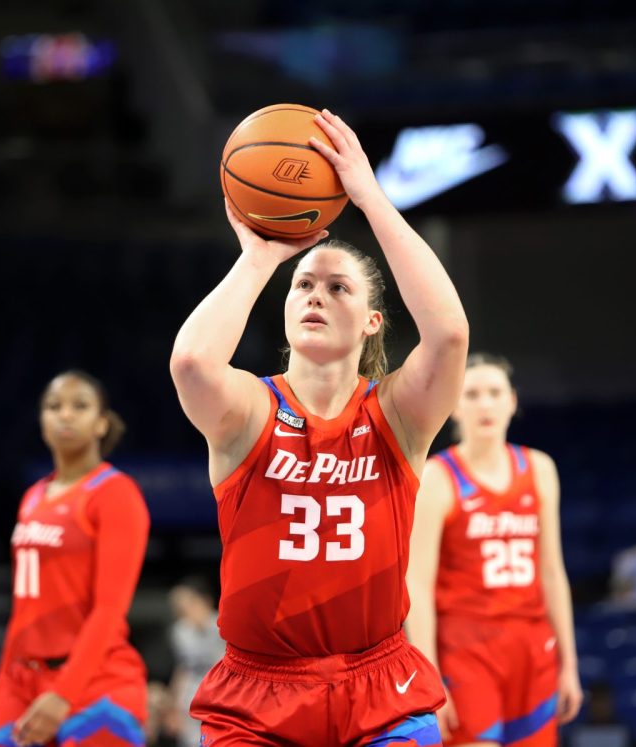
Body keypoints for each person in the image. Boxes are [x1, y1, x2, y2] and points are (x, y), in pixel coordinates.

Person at [170, 107, 470, 745]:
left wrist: (369, 196)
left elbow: (447, 335)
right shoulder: (249, 412)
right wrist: (259, 258)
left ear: (372, 323)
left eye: (339, 289)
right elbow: (193, 361)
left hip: (378, 685)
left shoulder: (396, 416)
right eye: (303, 284)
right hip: (258, 693)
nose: (315, 295)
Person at [406, 353, 582, 746]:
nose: (484, 404)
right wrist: (429, 674)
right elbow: (416, 584)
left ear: (512, 401)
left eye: (494, 392)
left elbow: (552, 572)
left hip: (533, 650)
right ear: (454, 406)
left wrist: (569, 662)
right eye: (472, 394)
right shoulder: (438, 476)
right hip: (467, 650)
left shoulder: (539, 468)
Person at [0, 372, 151, 747]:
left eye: (80, 406)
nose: (65, 415)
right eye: (54, 407)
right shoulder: (32, 497)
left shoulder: (116, 494)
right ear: (41, 422)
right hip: (22, 679)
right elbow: (21, 611)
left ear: (102, 423)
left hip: (96, 680)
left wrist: (64, 693)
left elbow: (109, 610)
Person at [166, 578, 222, 747]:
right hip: (190, 697)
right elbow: (182, 668)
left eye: (190, 604)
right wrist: (173, 706)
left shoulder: (222, 624)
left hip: (219, 696)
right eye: (180, 608)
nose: (185, 611)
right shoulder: (180, 630)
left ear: (204, 600)